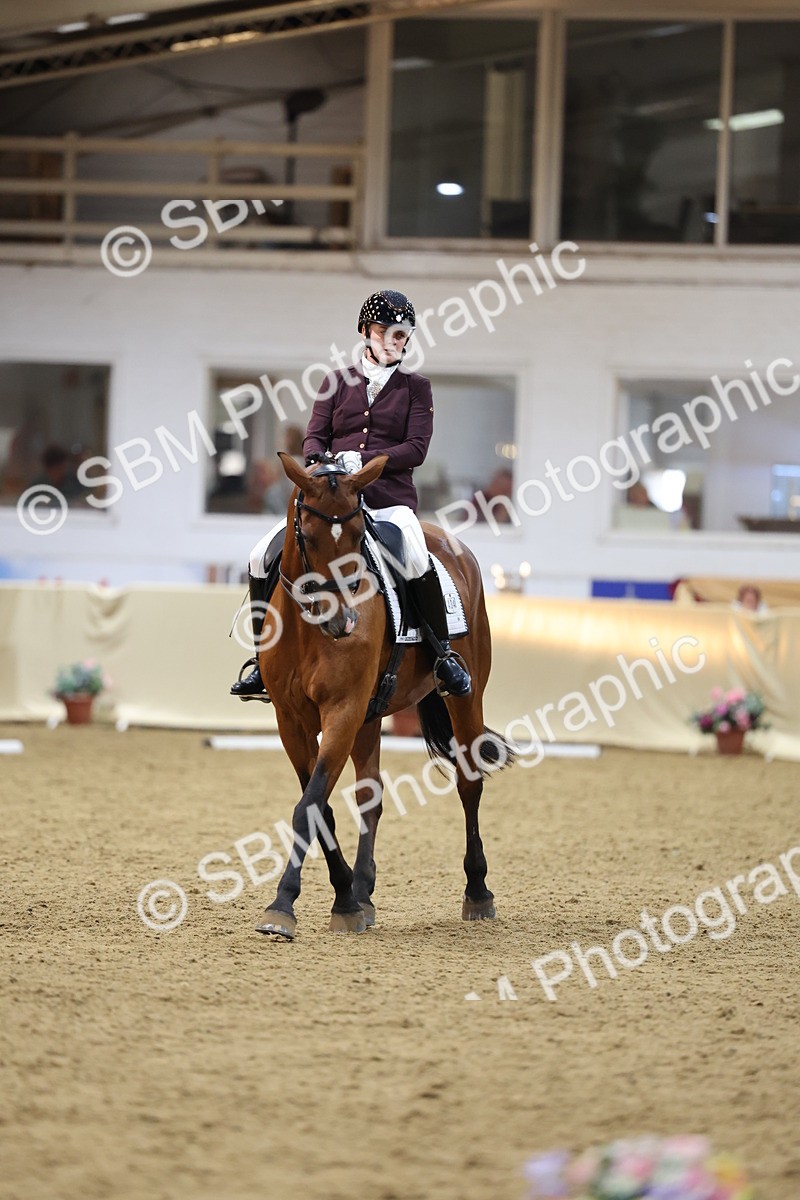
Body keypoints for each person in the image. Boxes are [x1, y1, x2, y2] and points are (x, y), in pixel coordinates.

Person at [230, 289, 471, 702]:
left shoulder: (417, 388)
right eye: (385, 333)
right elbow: (313, 437)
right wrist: (324, 464)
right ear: (365, 331)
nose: (394, 342)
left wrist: (363, 459)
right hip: (333, 500)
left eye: (401, 336)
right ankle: (260, 659)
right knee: (258, 555)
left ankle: (441, 655)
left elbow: (416, 448)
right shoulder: (335, 381)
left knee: (415, 555)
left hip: (389, 499)